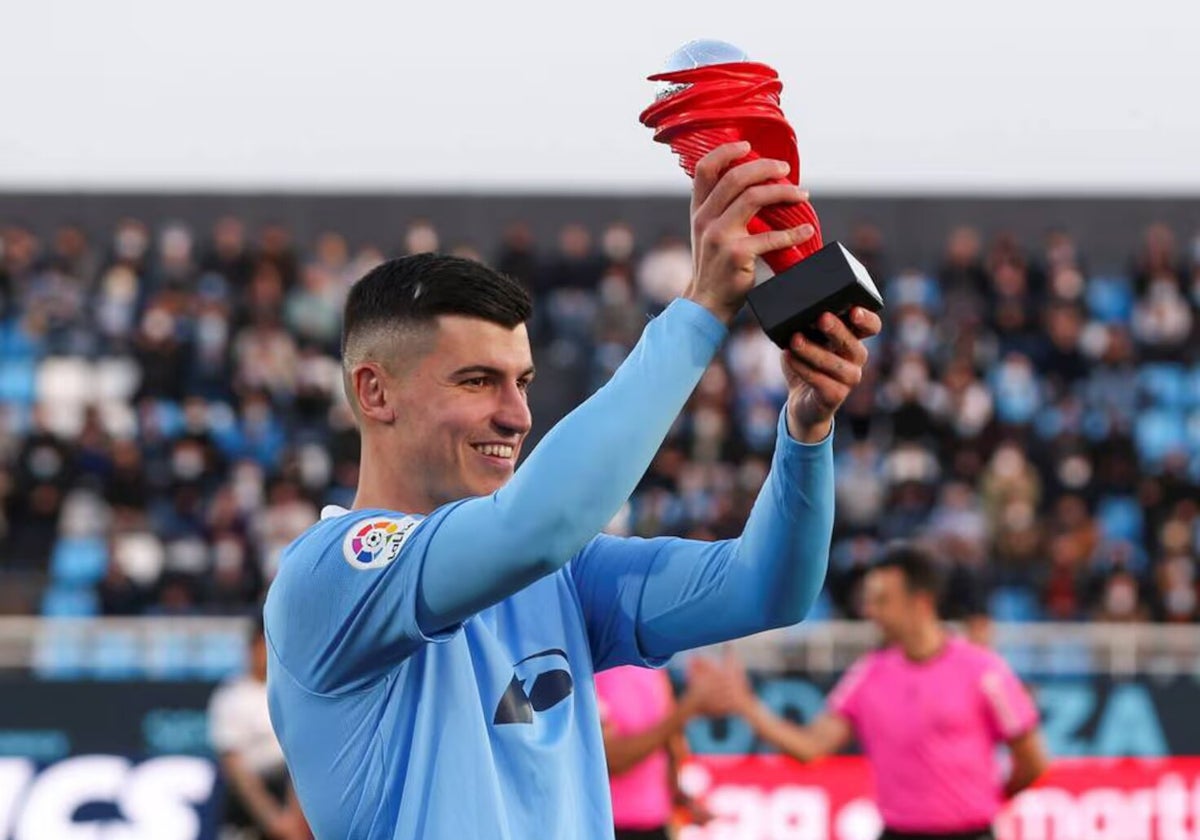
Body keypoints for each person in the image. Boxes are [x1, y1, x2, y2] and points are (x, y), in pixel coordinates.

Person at [263, 141, 883, 839]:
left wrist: (805, 435)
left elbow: (768, 588)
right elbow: (536, 529)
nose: (516, 414)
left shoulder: (560, 576)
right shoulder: (332, 574)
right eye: (476, 381)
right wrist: (701, 309)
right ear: (375, 391)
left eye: (522, 382)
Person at [719, 541, 1049, 840]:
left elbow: (1032, 761)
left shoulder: (983, 671)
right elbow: (811, 747)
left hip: (971, 831)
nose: (870, 612)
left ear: (920, 603)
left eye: (882, 601)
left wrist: (985, 802)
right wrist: (746, 705)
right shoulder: (868, 674)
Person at [596, 660, 731, 840]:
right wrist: (690, 706)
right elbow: (612, 760)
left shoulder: (652, 668)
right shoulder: (593, 673)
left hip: (657, 822)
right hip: (611, 825)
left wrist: (681, 798)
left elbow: (670, 741)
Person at [208, 619, 309, 840]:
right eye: (263, 645)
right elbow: (235, 767)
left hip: (293, 799)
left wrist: (294, 817)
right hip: (250, 803)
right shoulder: (232, 696)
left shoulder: (294, 692)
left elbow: (302, 756)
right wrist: (273, 819)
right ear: (251, 649)